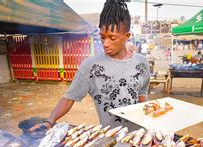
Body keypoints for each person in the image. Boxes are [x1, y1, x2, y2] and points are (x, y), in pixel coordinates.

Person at [30, 0, 149, 132]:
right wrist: (49, 122)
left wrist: (152, 120)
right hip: (111, 138)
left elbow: (142, 93)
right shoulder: (91, 66)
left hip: (141, 134)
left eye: (112, 38)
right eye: (103, 37)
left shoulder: (141, 62)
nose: (105, 43)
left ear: (127, 36)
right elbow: (69, 98)